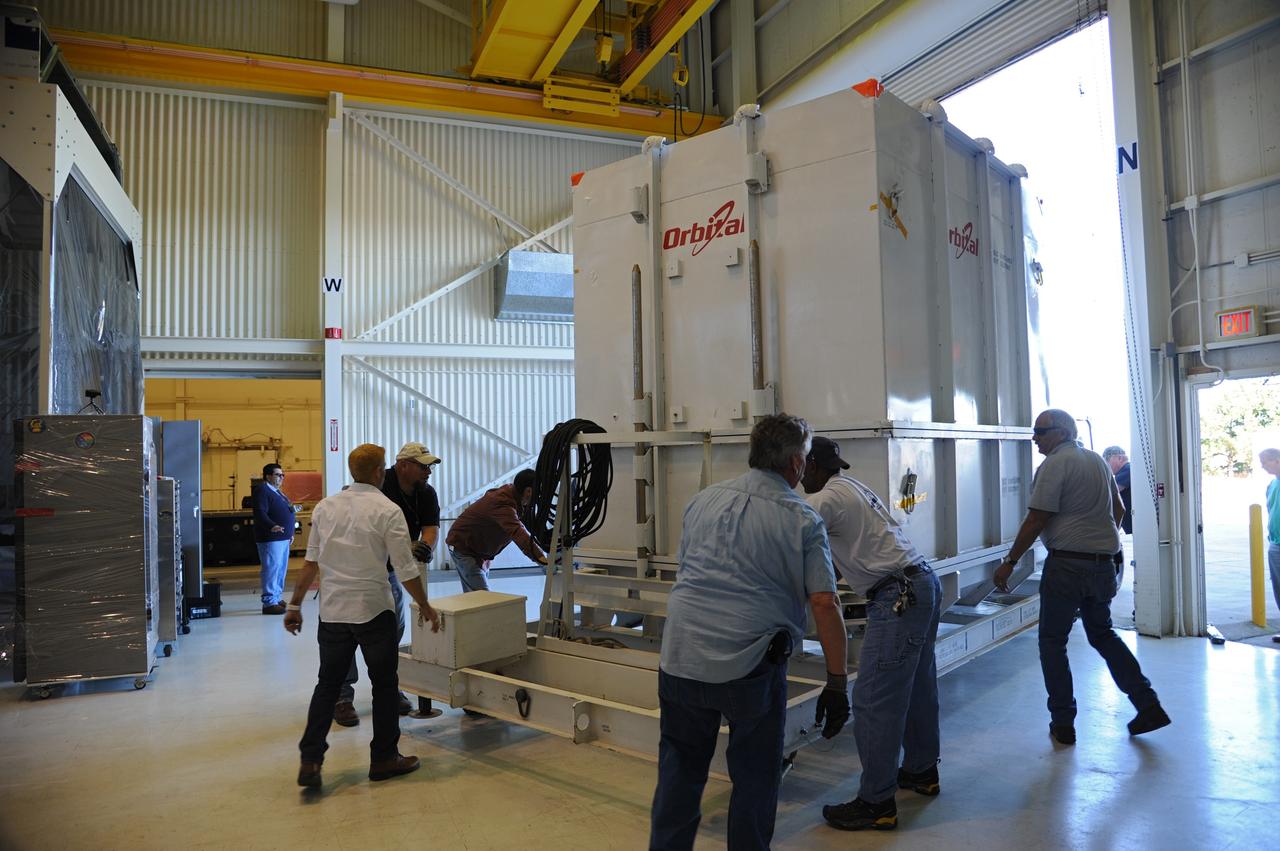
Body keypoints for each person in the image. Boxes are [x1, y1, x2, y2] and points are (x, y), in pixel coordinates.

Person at [649, 414, 850, 851]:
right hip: (750, 667)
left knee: (680, 771)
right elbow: (824, 602)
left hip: (681, 657)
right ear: (796, 463)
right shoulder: (802, 518)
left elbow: (691, 573)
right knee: (755, 776)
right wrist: (836, 682)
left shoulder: (701, 501)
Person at [994, 409, 1170, 745]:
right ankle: (1148, 704)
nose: (1034, 438)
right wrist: (1099, 538)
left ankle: (1063, 722)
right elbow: (1118, 509)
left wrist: (1010, 562)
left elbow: (1037, 519)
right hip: (1102, 565)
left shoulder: (1055, 464)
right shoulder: (1097, 461)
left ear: (1061, 432)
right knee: (1103, 635)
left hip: (1067, 567)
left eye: (1040, 431)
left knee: (1052, 642)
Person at [801, 436, 942, 833]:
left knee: (874, 700)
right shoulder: (851, 487)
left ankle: (876, 803)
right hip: (922, 584)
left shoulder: (823, 500)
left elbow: (792, 544)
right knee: (917, 687)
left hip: (897, 596)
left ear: (809, 466)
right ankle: (921, 771)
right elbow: (845, 554)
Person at [284, 443, 441, 789]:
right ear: (379, 472)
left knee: (327, 685)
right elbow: (404, 569)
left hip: (333, 612)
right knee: (384, 686)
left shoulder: (326, 507)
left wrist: (294, 606)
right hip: (373, 611)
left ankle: (311, 760)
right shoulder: (387, 510)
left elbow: (310, 563)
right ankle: (384, 758)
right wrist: (426, 606)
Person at [334, 441, 443, 727]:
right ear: (403, 466)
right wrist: (405, 547)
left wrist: (426, 546)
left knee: (391, 632)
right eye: (423, 467)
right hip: (357, 570)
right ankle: (342, 697)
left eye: (430, 467)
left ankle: (389, 689)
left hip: (391, 571)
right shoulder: (379, 487)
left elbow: (431, 528)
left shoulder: (426, 493)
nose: (428, 472)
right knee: (347, 634)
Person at [445, 469, 547, 592]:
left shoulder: (515, 498)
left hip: (479, 551)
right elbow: (519, 534)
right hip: (464, 548)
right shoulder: (503, 503)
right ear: (528, 491)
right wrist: (544, 562)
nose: (540, 497)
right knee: (482, 598)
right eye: (539, 492)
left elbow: (531, 526)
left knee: (474, 596)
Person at [253, 462, 295, 615]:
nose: (281, 478)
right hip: (271, 537)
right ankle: (269, 602)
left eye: (282, 475)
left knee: (280, 569)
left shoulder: (278, 492)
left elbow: (288, 511)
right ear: (268, 476)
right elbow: (260, 512)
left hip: (282, 537)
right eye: (278, 475)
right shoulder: (262, 490)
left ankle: (276, 597)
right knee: (271, 569)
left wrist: (289, 533)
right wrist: (272, 526)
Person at [1260, 448, 1280, 644]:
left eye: (1265, 462)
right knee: (1278, 587)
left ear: (1277, 461)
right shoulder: (1272, 485)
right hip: (1276, 543)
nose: (1262, 466)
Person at [1103, 446, 1133, 534]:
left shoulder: (1127, 470)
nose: (1106, 465)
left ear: (1119, 458)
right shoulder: (1128, 470)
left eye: (1107, 460)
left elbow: (1107, 493)